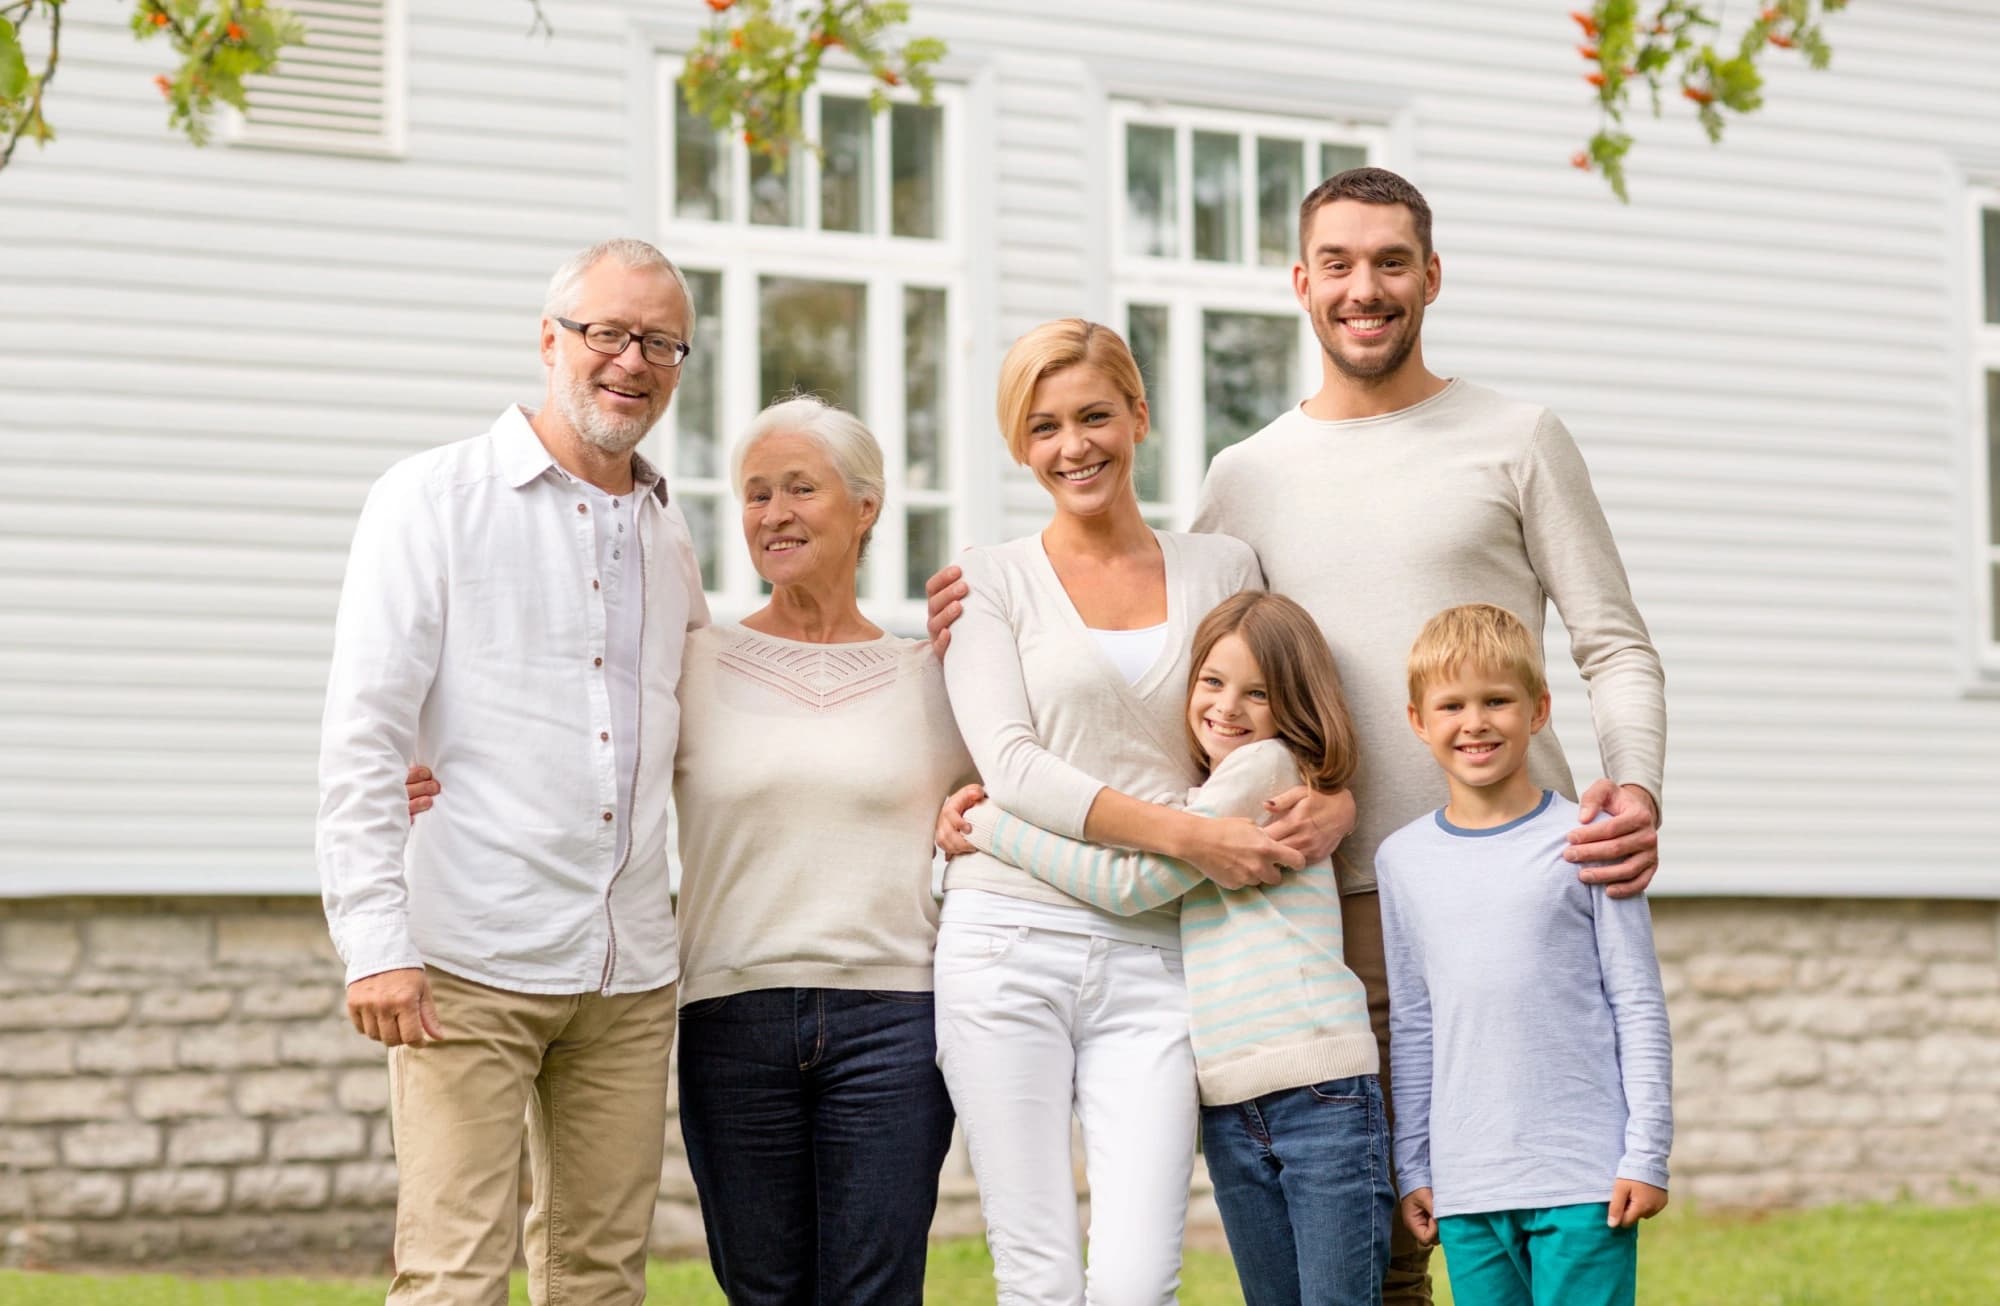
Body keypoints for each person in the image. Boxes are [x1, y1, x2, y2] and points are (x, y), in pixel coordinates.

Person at [928, 166, 1666, 1303]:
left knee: (1521, 1218)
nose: (1362, 288)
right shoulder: (1245, 479)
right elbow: (1217, 679)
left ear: (1429, 274)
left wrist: (1635, 788)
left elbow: (1612, 642)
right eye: (1337, 263)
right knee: (1375, 1249)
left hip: (1504, 896)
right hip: (1321, 912)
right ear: (1299, 283)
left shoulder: (1516, 437)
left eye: (1387, 262)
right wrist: (964, 619)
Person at [931, 318, 1351, 1306]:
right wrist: (1191, 834)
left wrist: (1330, 799)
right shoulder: (987, 579)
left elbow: (1277, 717)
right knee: (1035, 1274)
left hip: (1162, 948)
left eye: (1092, 416)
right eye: (1042, 427)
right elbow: (1010, 763)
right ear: (1017, 444)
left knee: (1133, 1279)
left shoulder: (1224, 568)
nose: (1071, 446)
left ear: (1139, 417)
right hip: (1006, 941)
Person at [317, 239, 707, 1304]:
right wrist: (375, 942)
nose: (632, 361)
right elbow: (365, 731)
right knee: (453, 1277)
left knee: (601, 1277)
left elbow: (713, 716)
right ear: (550, 341)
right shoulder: (430, 497)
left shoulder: (671, 532)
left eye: (660, 342)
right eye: (607, 334)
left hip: (628, 971)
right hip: (465, 960)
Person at [954, 589, 1391, 1305]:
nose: (1228, 706)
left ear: (1295, 706)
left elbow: (1125, 885)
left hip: (1317, 1094)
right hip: (1234, 1101)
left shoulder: (1263, 771)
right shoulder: (1210, 790)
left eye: (1259, 692)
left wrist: (989, 826)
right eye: (1212, 682)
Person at [670, 397, 972, 1304]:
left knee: (876, 1293)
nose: (773, 513)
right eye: (756, 494)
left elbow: (1007, 799)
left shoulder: (936, 675)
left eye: (800, 487)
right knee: (763, 1293)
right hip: (731, 1016)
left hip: (894, 1022)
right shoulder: (690, 663)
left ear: (867, 507)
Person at [1378, 603, 1672, 1306]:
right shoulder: (1402, 860)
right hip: (1468, 1183)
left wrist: (1647, 1151)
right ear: (1419, 721)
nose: (1474, 722)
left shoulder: (1590, 837)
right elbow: (1416, 1023)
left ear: (1538, 710)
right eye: (1451, 705)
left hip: (1585, 1178)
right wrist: (1412, 1162)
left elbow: (1636, 1001)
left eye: (1496, 701)